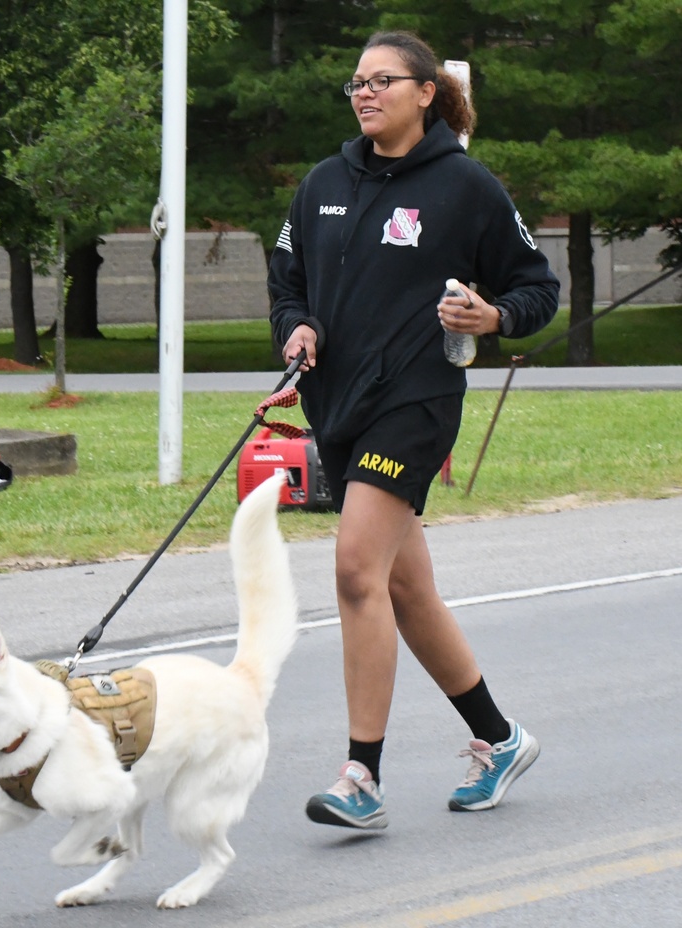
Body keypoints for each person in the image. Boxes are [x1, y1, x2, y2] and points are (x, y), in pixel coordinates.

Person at [267, 31, 559, 830]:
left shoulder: (465, 187)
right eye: (355, 82)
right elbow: (286, 281)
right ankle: (497, 739)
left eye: (382, 81)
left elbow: (537, 286)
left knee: (357, 570)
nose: (364, 93)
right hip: (338, 406)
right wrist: (296, 330)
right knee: (405, 588)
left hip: (417, 402)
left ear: (426, 91)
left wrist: (494, 315)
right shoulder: (322, 184)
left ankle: (361, 775)